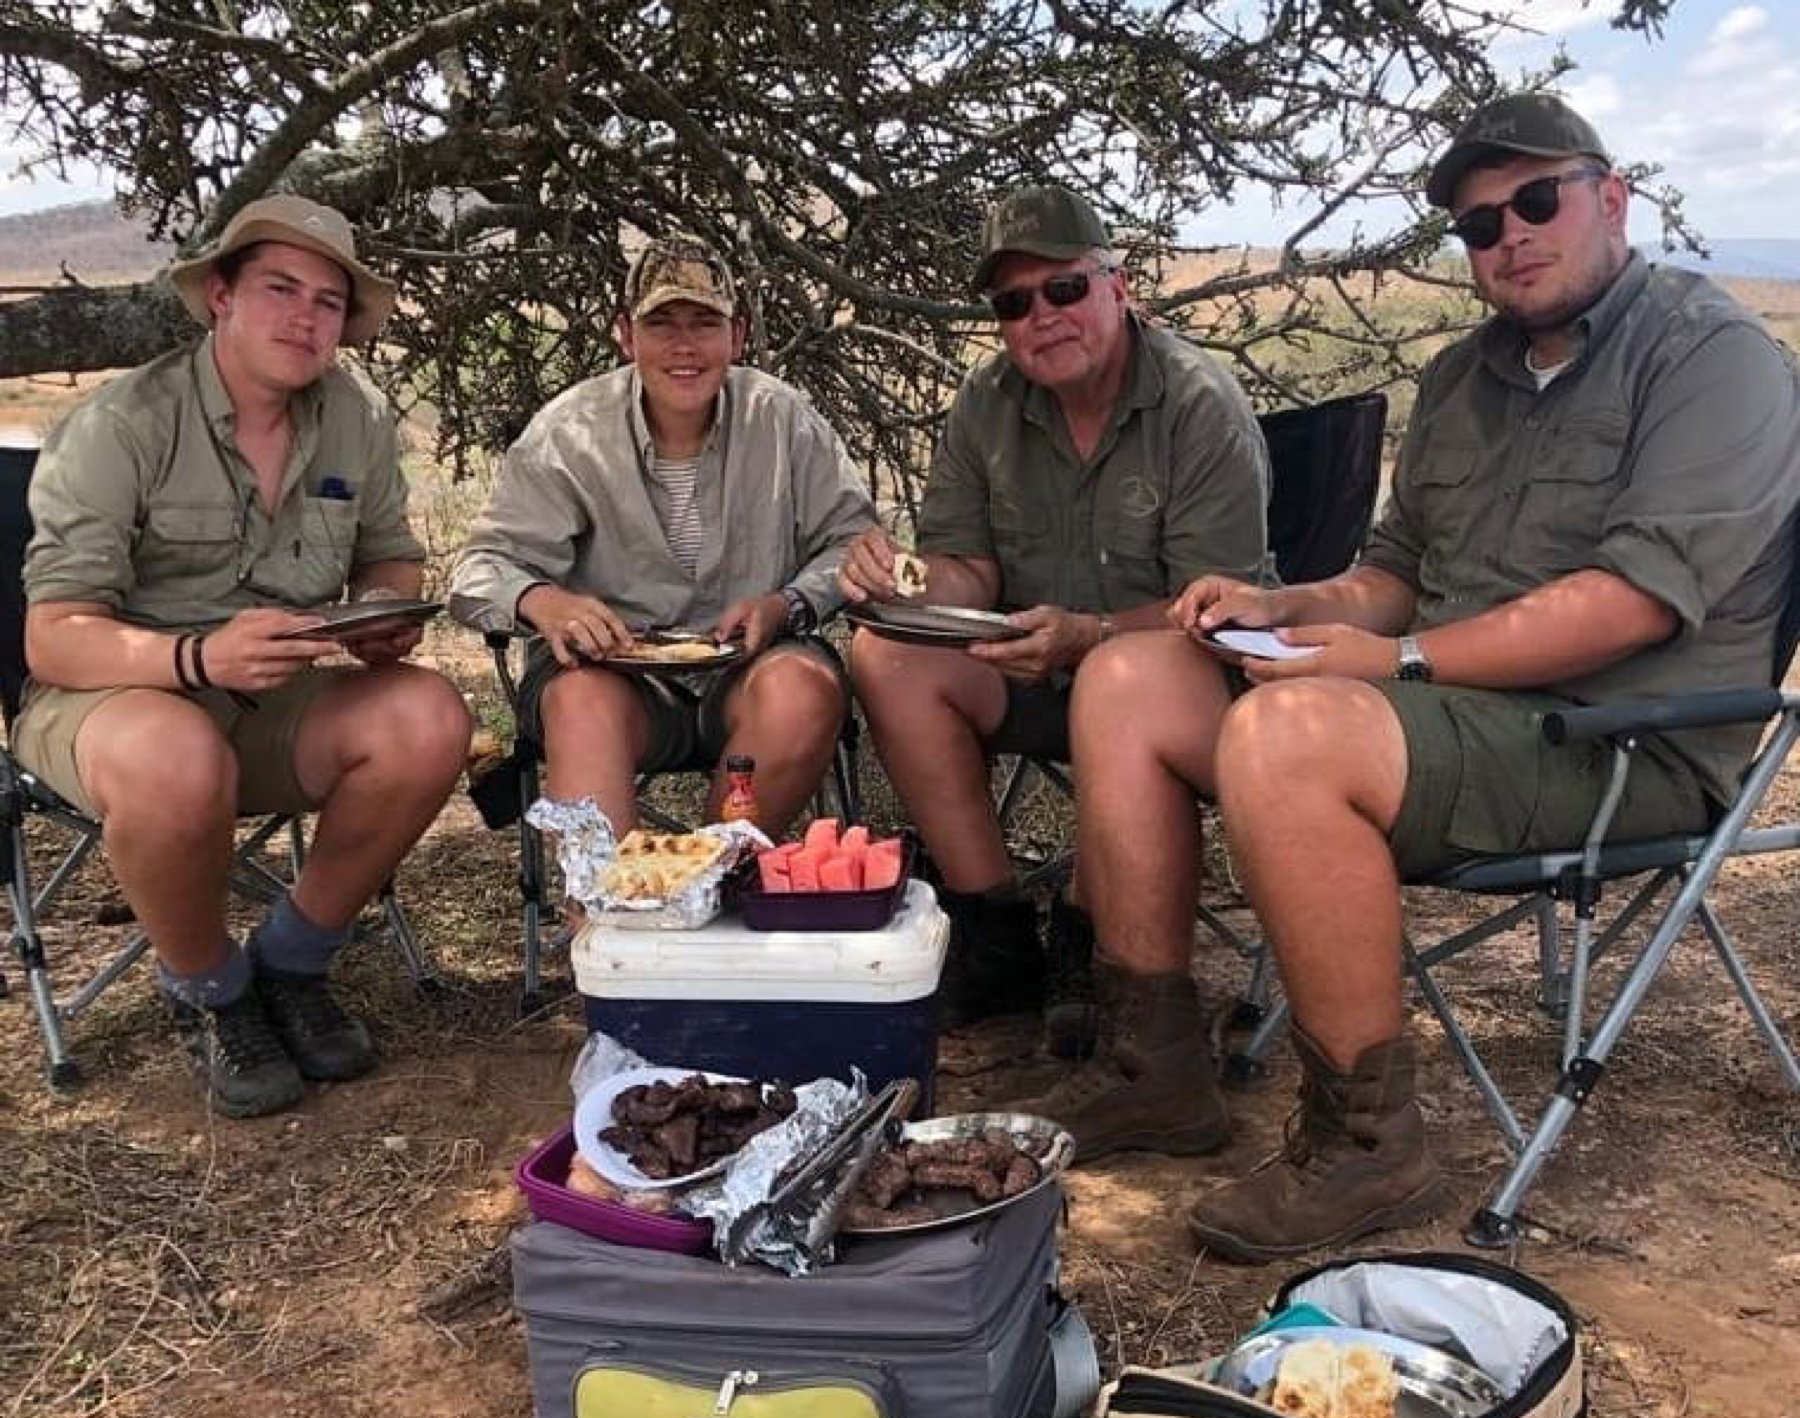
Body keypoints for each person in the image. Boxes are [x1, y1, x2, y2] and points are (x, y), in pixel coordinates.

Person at [1152, 91, 1799, 1260]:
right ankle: (1144, 1053)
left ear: (1613, 198)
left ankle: (1366, 1144)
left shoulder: (1715, 358)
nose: (1509, 235)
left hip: (1623, 740)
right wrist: (1288, 606)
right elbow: (1395, 572)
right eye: (1479, 225)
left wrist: (1392, 661)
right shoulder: (1461, 378)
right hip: (1456, 721)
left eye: (1535, 200)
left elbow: (1633, 601)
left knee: (1283, 735)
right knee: (1144, 679)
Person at [16, 195, 473, 1119]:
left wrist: (382, 612)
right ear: (219, 295)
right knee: (179, 757)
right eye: (279, 289)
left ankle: (294, 963)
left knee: (429, 717)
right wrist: (196, 658)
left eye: (329, 302)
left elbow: (389, 552)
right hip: (115, 697)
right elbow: (53, 634)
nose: (305, 317)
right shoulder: (125, 423)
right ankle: (210, 988)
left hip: (276, 695)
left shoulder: (354, 419)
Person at [838, 184, 1268, 1061]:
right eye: (1014, 303)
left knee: (1120, 677)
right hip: (1032, 663)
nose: (1043, 317)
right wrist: (900, 578)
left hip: (1172, 680)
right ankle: (995, 933)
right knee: (886, 652)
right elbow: (968, 572)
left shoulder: (1196, 403)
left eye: (1064, 289)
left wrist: (1094, 636)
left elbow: (1216, 604)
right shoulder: (985, 404)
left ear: (1118, 284)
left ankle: (1088, 940)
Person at [449, 236, 877, 836]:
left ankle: (718, 885)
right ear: (625, 334)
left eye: (705, 323)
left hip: (749, 668)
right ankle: (604, 919)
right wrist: (543, 601)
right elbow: (477, 569)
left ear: (738, 334)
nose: (684, 346)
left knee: (802, 688)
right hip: (615, 679)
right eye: (660, 323)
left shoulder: (781, 418)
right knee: (578, 703)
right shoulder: (570, 433)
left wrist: (788, 604)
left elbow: (854, 542)